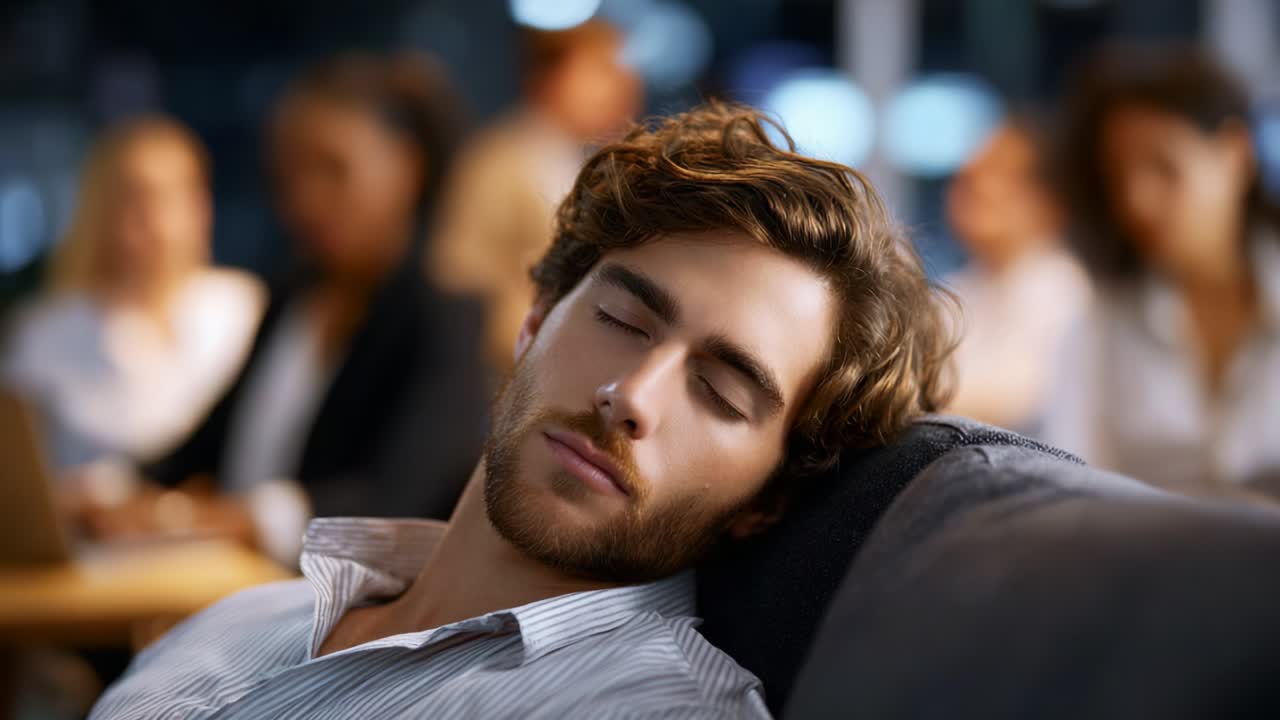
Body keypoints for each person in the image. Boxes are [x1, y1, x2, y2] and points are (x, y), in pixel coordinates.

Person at [88, 102, 956, 718]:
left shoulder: (649, 711)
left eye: (722, 392)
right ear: (535, 320)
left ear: (768, 495)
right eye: (621, 319)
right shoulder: (245, 618)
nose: (630, 395)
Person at [90, 53, 490, 564]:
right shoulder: (290, 299)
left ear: (408, 166)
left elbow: (397, 498)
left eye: (332, 169)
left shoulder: (442, 316)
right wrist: (111, 490)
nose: (304, 199)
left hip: (331, 618)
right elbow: (201, 448)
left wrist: (221, 518)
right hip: (227, 591)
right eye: (287, 174)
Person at [1043, 47, 1280, 494]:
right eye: (1118, 176)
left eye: (1164, 168)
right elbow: (1072, 484)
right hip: (1151, 559)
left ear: (1236, 154)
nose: (1137, 201)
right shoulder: (1102, 321)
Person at [1, 116, 264, 470]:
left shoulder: (244, 307)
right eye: (133, 199)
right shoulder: (46, 331)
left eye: (171, 196)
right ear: (100, 211)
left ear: (202, 204)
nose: (155, 219)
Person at [429, 18, 643, 373]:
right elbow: (459, 276)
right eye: (600, 70)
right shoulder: (502, 159)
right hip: (501, 369)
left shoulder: (569, 158)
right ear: (549, 76)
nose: (619, 86)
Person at [942, 116, 1090, 432]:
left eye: (1003, 174)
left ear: (1052, 200)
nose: (977, 183)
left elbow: (1018, 398)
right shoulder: (959, 289)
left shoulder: (1067, 287)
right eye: (972, 171)